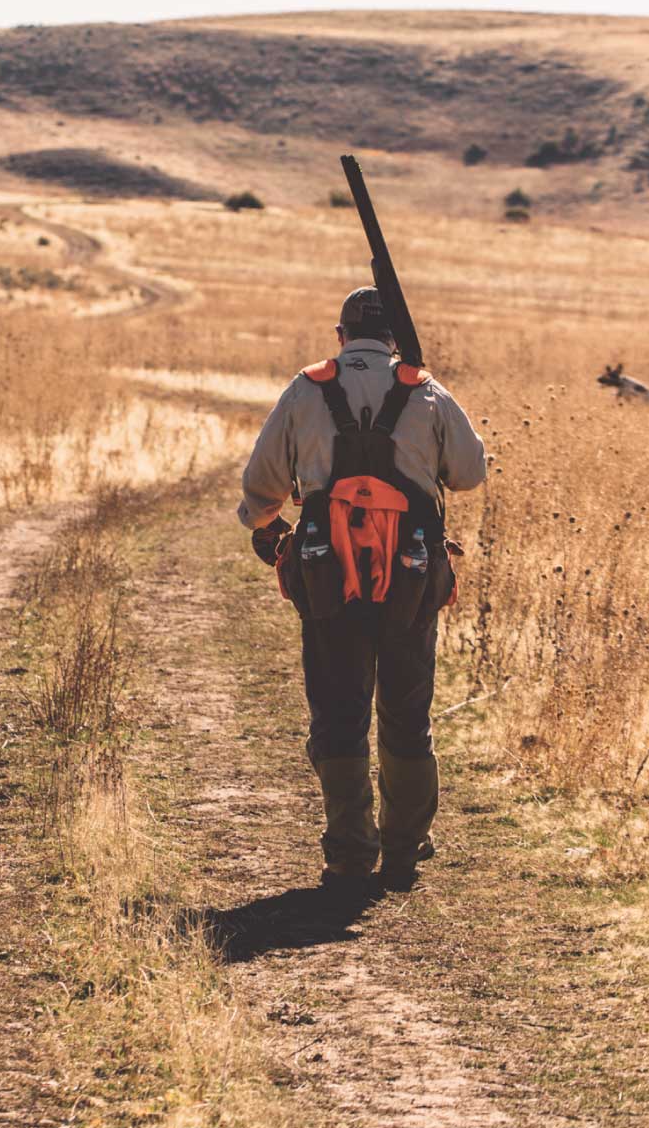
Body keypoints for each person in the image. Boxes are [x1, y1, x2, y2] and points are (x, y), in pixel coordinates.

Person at [237, 286, 487, 890]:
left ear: (341, 335)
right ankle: (404, 850)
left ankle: (350, 852)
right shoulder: (424, 389)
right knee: (406, 714)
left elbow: (261, 484)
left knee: (340, 712)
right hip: (412, 580)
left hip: (328, 580)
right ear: (395, 338)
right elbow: (471, 473)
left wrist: (267, 526)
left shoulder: (307, 389)